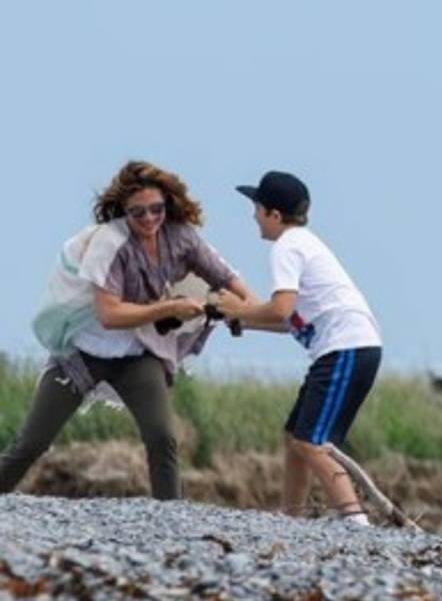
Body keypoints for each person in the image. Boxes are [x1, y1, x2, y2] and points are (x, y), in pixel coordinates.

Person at [0, 160, 253, 500]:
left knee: (163, 438)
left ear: (168, 204)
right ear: (123, 211)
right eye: (138, 213)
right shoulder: (109, 243)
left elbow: (229, 280)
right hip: (82, 355)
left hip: (137, 356)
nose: (149, 219)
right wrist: (169, 308)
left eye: (156, 209)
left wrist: (251, 310)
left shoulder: (182, 238)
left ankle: (172, 519)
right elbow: (110, 314)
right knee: (31, 443)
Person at [215, 170, 382, 526]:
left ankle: (356, 521)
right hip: (346, 348)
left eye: (257, 208)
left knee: (312, 441)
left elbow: (280, 308)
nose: (252, 216)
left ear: (275, 215)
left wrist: (239, 308)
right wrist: (241, 319)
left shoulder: (287, 247)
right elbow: (285, 321)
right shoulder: (303, 243)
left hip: (346, 348)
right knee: (295, 436)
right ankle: (292, 519)